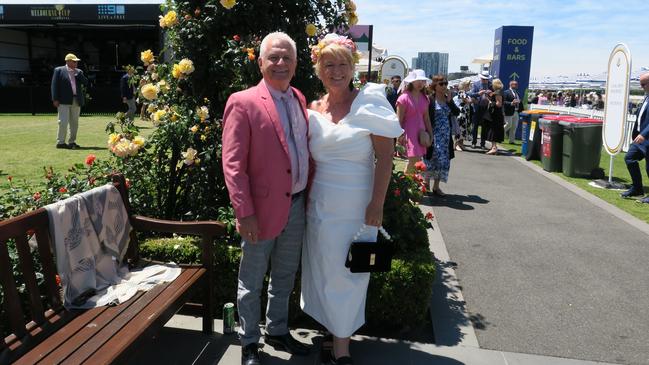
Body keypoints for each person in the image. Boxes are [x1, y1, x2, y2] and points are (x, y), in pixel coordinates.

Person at [301, 33, 402, 365]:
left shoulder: (369, 102)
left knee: (350, 274)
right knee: (324, 271)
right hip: (319, 207)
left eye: (342, 64)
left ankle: (342, 348)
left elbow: (385, 158)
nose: (336, 70)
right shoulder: (312, 108)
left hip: (358, 207)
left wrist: (377, 204)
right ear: (319, 69)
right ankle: (332, 333)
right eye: (328, 64)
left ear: (352, 67)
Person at [221, 32, 310, 365]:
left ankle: (277, 330)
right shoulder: (242, 101)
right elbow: (232, 164)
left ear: (297, 63)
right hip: (259, 210)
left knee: (285, 275)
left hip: (297, 204)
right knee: (252, 278)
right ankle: (249, 342)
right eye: (273, 57)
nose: (281, 63)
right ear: (260, 62)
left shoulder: (299, 98)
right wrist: (244, 212)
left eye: (287, 57)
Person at [425, 75, 460, 196]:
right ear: (435, 85)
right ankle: (426, 184)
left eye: (446, 83)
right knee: (430, 159)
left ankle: (436, 186)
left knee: (443, 161)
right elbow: (425, 117)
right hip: (433, 134)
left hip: (445, 136)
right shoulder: (430, 99)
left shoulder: (448, 99)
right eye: (441, 84)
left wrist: (450, 101)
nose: (445, 86)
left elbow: (457, 112)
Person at [396, 69, 432, 173]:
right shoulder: (403, 98)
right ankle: (406, 184)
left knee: (416, 162)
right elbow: (399, 119)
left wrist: (430, 133)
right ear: (412, 81)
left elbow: (426, 118)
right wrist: (399, 135)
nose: (421, 83)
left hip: (421, 134)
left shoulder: (425, 98)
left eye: (423, 81)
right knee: (413, 161)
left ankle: (409, 184)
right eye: (418, 80)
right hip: (408, 133)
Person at [621, 72, 649, 203]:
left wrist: (644, 134)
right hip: (640, 139)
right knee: (629, 158)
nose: (641, 87)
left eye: (643, 84)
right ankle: (637, 188)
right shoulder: (646, 96)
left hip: (646, 137)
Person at [51, 53, 88, 149]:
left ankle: (72, 142)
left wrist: (78, 74)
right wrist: (55, 99)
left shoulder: (79, 71)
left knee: (74, 122)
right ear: (68, 61)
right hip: (63, 100)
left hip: (76, 100)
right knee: (63, 121)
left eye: (76, 61)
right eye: (74, 61)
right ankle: (61, 142)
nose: (76, 63)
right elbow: (54, 86)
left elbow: (86, 82)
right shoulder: (58, 70)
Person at [469, 71, 493, 149]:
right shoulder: (476, 84)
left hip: (486, 108)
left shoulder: (491, 85)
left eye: (486, 79)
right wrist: (479, 93)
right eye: (483, 79)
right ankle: (474, 142)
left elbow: (495, 95)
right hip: (477, 107)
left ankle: (482, 143)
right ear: (481, 78)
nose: (485, 80)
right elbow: (470, 94)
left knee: (484, 127)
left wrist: (491, 94)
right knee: (475, 126)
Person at [486, 78, 505, 155]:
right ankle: (493, 147)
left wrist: (490, 102)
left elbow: (499, 104)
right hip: (497, 114)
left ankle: (494, 147)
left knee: (494, 130)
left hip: (496, 114)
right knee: (494, 130)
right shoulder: (498, 92)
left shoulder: (498, 92)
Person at [453, 80, 472, 150]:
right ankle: (456, 144)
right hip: (461, 112)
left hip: (465, 112)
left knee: (464, 128)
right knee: (460, 128)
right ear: (465, 86)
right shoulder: (462, 92)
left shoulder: (465, 93)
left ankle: (461, 143)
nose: (470, 87)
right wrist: (471, 100)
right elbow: (466, 100)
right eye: (469, 85)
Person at [503, 80, 523, 144]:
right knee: (508, 125)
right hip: (508, 111)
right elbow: (504, 102)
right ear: (511, 85)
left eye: (517, 84)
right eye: (515, 84)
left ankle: (511, 141)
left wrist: (519, 102)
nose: (517, 85)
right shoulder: (506, 92)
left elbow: (520, 102)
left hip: (516, 112)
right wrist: (511, 103)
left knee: (514, 127)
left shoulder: (517, 93)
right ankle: (499, 135)